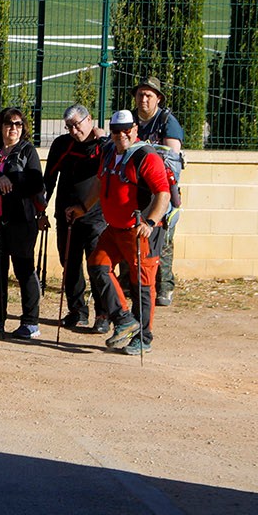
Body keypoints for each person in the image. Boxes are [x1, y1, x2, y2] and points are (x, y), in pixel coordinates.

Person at [73, 111, 172, 355]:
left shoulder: (146, 156)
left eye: (126, 129)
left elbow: (163, 193)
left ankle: (144, 338)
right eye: (116, 131)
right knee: (97, 265)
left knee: (142, 284)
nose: (122, 135)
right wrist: (84, 207)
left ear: (135, 129)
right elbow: (99, 182)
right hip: (114, 229)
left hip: (141, 231)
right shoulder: (108, 152)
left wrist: (150, 221)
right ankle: (124, 319)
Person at [0, 106, 45, 340]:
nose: (12, 128)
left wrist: (9, 179)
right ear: (0, 126)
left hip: (21, 220)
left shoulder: (27, 151)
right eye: (8, 123)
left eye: (17, 124)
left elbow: (35, 182)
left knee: (24, 269)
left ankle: (30, 321)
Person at [44, 105, 111, 331]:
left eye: (77, 125)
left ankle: (103, 314)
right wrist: (41, 208)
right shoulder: (63, 144)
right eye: (69, 127)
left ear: (89, 119)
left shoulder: (105, 145)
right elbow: (49, 178)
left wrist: (104, 141)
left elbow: (113, 165)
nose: (74, 130)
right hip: (66, 216)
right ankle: (77, 310)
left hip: (96, 217)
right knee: (69, 264)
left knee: (98, 266)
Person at [131, 76, 185, 305]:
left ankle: (164, 287)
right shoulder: (129, 119)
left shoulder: (167, 122)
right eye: (140, 94)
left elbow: (171, 159)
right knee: (130, 237)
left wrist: (142, 150)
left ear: (158, 98)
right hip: (133, 188)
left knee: (162, 240)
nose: (143, 99)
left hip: (161, 189)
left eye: (149, 95)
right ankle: (130, 283)